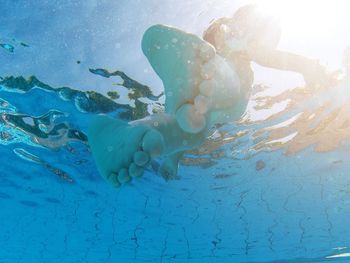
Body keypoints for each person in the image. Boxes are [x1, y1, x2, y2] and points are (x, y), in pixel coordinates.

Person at [88, 5, 329, 187]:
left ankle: (184, 92)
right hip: (227, 100)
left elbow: (255, 50)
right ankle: (154, 131)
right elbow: (272, 57)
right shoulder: (249, 46)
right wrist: (309, 66)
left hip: (219, 87)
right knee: (191, 124)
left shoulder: (232, 42)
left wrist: (174, 160)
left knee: (183, 112)